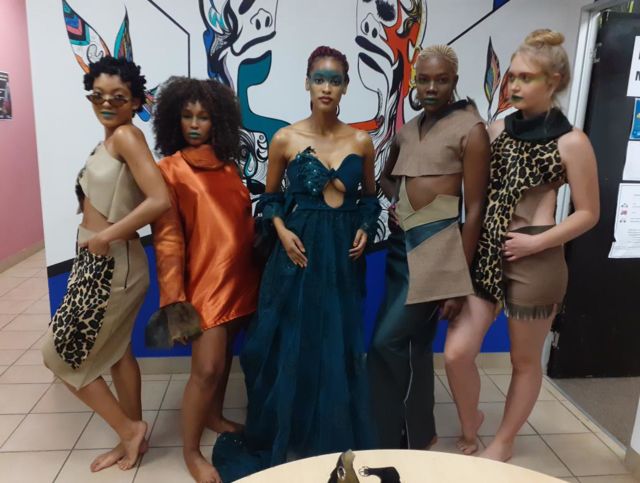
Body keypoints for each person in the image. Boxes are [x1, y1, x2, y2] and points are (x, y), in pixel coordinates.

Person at [212, 45, 381, 482]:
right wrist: (283, 232)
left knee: (335, 341)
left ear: (345, 87)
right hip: (297, 254)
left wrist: (365, 227)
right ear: (307, 83)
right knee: (289, 341)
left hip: (341, 256)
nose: (327, 87)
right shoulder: (285, 139)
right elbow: (269, 199)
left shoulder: (361, 141)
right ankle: (287, 431)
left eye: (335, 80)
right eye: (319, 78)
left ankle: (328, 434)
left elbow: (370, 199)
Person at [444, 29, 600, 461]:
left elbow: (589, 213)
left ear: (554, 81)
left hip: (537, 257)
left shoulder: (572, 141)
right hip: (488, 252)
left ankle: (504, 441)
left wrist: (538, 243)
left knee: (524, 361)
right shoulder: (496, 129)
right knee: (456, 353)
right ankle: (471, 419)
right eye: (511, 76)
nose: (513, 85)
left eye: (525, 77)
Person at [41, 56, 170, 472]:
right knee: (117, 353)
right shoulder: (109, 140)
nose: (107, 103)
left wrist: (106, 236)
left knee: (58, 355)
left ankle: (130, 431)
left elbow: (160, 199)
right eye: (98, 96)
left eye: (118, 96)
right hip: (97, 258)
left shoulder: (127, 136)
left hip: (111, 263)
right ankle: (131, 438)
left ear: (135, 101)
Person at [368, 45, 490, 450]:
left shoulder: (471, 129)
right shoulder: (408, 130)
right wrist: (401, 206)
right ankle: (419, 433)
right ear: (414, 84)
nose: (432, 87)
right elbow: (385, 178)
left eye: (441, 80)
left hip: (438, 252)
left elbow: (475, 210)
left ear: (454, 81)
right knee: (416, 346)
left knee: (385, 342)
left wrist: (458, 284)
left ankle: (387, 434)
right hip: (400, 249)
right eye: (424, 80)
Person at [149, 76, 260, 483]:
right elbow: (167, 239)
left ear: (219, 121)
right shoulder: (169, 170)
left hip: (241, 279)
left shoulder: (229, 166)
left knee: (225, 357)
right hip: (204, 286)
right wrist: (174, 300)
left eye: (204, 117)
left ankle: (214, 415)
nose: (195, 124)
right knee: (206, 369)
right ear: (173, 119)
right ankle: (191, 451)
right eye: (187, 116)